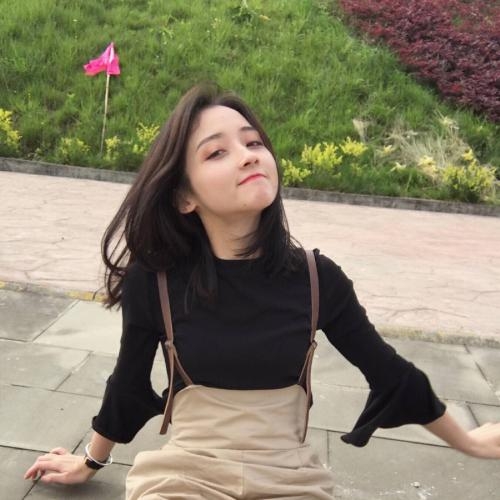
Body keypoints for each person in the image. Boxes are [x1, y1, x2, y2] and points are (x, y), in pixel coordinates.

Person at [25, 83, 500, 498]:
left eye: (253, 142)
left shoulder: (318, 279)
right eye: (216, 152)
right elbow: (127, 385)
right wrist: (90, 461)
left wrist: (470, 442)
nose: (249, 154)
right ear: (184, 197)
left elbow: (394, 377)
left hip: (290, 481)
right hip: (184, 478)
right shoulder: (157, 281)